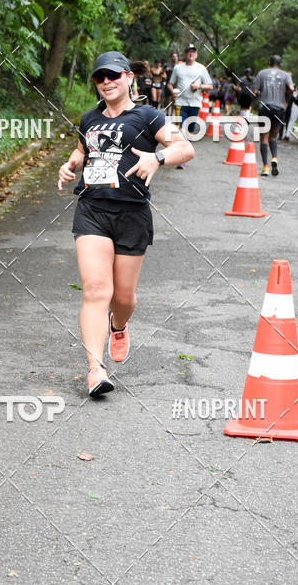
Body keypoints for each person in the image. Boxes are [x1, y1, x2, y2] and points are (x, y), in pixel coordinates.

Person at [58, 51, 195, 396]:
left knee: (123, 298)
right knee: (95, 290)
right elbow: (82, 151)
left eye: (113, 75)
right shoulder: (90, 119)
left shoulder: (148, 116)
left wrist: (158, 157)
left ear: (128, 77)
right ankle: (95, 369)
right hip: (92, 210)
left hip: (132, 214)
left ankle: (118, 325)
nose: (106, 82)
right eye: (99, 77)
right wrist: (70, 164)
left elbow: (185, 148)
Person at [168, 44, 213, 159]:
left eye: (193, 52)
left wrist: (199, 86)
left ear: (196, 54)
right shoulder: (178, 68)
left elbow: (210, 86)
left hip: (195, 104)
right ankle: (181, 158)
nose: (191, 54)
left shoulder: (201, 68)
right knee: (181, 130)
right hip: (180, 103)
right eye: (189, 51)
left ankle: (185, 154)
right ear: (185, 54)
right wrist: (172, 91)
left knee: (190, 132)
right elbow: (170, 83)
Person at [252, 54, 294, 176]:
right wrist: (286, 101)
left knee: (264, 138)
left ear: (269, 63)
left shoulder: (262, 73)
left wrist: (258, 97)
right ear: (280, 64)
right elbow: (291, 88)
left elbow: (255, 91)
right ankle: (274, 158)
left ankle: (265, 167)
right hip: (279, 109)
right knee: (273, 137)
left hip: (265, 108)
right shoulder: (285, 75)